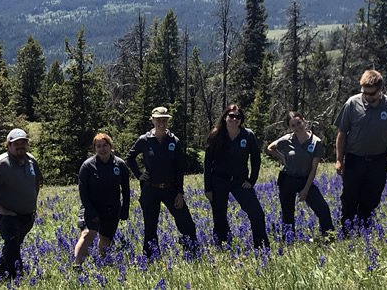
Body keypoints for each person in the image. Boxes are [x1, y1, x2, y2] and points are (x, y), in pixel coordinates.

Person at [125, 106, 197, 258]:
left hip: (171, 189)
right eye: (158, 120)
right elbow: (129, 158)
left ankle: (192, 252)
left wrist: (179, 193)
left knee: (186, 223)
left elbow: (179, 168)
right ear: (152, 120)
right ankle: (151, 258)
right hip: (150, 189)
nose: (162, 123)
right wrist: (139, 174)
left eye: (165, 120)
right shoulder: (144, 140)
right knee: (150, 227)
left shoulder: (174, 141)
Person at [334, 69, 387, 230]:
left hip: (378, 161)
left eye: (372, 94)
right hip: (354, 160)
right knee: (349, 197)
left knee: (372, 198)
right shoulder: (352, 103)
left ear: (380, 90)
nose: (368, 97)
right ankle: (347, 231)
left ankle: (364, 230)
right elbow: (341, 134)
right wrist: (338, 159)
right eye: (365, 93)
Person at [0, 128, 42, 279]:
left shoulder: (31, 160)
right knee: (12, 241)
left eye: (23, 143)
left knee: (14, 244)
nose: (20, 146)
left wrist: (33, 202)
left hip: (27, 215)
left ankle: (8, 272)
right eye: (16, 144)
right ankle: (11, 277)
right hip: (7, 216)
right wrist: (1, 209)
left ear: (27, 144)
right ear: (8, 145)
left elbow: (36, 182)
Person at [204, 104, 269, 249]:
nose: (234, 119)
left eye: (237, 117)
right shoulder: (215, 135)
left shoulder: (248, 135)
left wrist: (252, 180)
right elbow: (207, 163)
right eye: (231, 116)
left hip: (240, 181)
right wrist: (208, 188)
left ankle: (261, 246)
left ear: (241, 119)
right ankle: (222, 245)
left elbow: (256, 160)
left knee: (256, 212)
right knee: (219, 215)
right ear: (225, 117)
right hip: (219, 180)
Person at [266, 112, 334, 241]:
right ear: (290, 127)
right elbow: (270, 148)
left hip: (305, 179)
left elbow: (314, 169)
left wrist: (306, 190)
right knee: (288, 214)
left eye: (299, 123)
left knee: (323, 208)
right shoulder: (287, 139)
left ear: (304, 121)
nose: (297, 127)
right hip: (288, 179)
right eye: (293, 125)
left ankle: (329, 238)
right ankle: (288, 242)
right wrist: (283, 158)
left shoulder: (315, 142)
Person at [73, 133, 130, 268]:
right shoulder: (87, 166)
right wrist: (90, 211)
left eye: (105, 145)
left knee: (105, 237)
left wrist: (125, 208)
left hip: (112, 207)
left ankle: (103, 265)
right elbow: (83, 191)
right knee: (88, 233)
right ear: (95, 149)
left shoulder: (120, 165)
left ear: (111, 147)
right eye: (98, 146)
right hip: (91, 205)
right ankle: (77, 265)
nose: (102, 149)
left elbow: (126, 189)